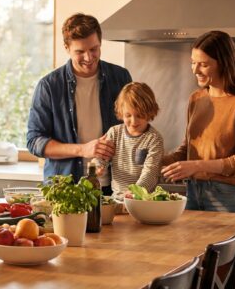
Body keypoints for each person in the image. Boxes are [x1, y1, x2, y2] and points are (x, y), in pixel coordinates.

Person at [26, 13, 133, 188]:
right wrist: (82, 149)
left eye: (94, 49)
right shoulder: (49, 86)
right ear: (66, 48)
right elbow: (34, 142)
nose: (89, 58)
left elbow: (133, 129)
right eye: (80, 52)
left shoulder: (121, 77)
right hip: (65, 189)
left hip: (113, 187)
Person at [160, 30, 235, 214]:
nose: (195, 70)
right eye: (193, 63)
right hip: (193, 193)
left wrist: (196, 165)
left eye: (204, 64)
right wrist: (153, 160)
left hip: (229, 198)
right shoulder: (196, 98)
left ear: (224, 63)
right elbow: (187, 150)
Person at [98, 82, 165, 192]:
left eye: (139, 115)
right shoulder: (114, 133)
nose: (133, 121)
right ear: (121, 112)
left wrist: (134, 192)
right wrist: (98, 167)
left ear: (149, 112)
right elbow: (102, 158)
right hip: (117, 197)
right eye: (128, 115)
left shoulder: (154, 139)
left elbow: (150, 173)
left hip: (143, 198)